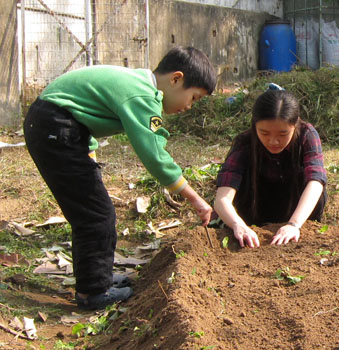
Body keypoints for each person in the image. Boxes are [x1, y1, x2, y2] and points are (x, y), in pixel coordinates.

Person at [23, 46, 216, 310]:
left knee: (95, 211)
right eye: (193, 98)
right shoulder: (142, 96)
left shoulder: (142, 89)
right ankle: (93, 292)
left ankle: (98, 277)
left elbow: (86, 108)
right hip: (55, 129)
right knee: (96, 215)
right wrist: (197, 200)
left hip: (55, 125)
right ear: (176, 79)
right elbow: (155, 154)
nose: (189, 107)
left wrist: (87, 153)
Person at [214, 86, 327, 248]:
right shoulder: (245, 143)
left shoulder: (306, 135)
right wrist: (238, 224)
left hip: (295, 206)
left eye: (282, 134)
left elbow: (316, 182)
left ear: (295, 125)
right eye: (264, 133)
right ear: (254, 126)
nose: (273, 141)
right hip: (256, 209)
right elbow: (222, 198)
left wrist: (294, 224)